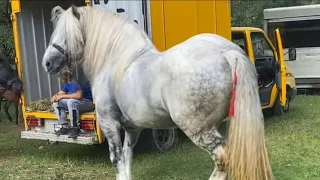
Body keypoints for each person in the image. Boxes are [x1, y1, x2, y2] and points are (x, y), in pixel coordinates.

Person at [51, 69, 94, 138]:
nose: (61, 79)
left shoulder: (76, 83)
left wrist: (61, 96)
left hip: (88, 103)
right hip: (79, 103)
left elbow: (78, 95)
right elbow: (57, 95)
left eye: (62, 78)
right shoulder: (67, 84)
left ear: (66, 77)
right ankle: (64, 126)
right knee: (57, 103)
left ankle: (75, 128)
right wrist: (55, 97)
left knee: (71, 101)